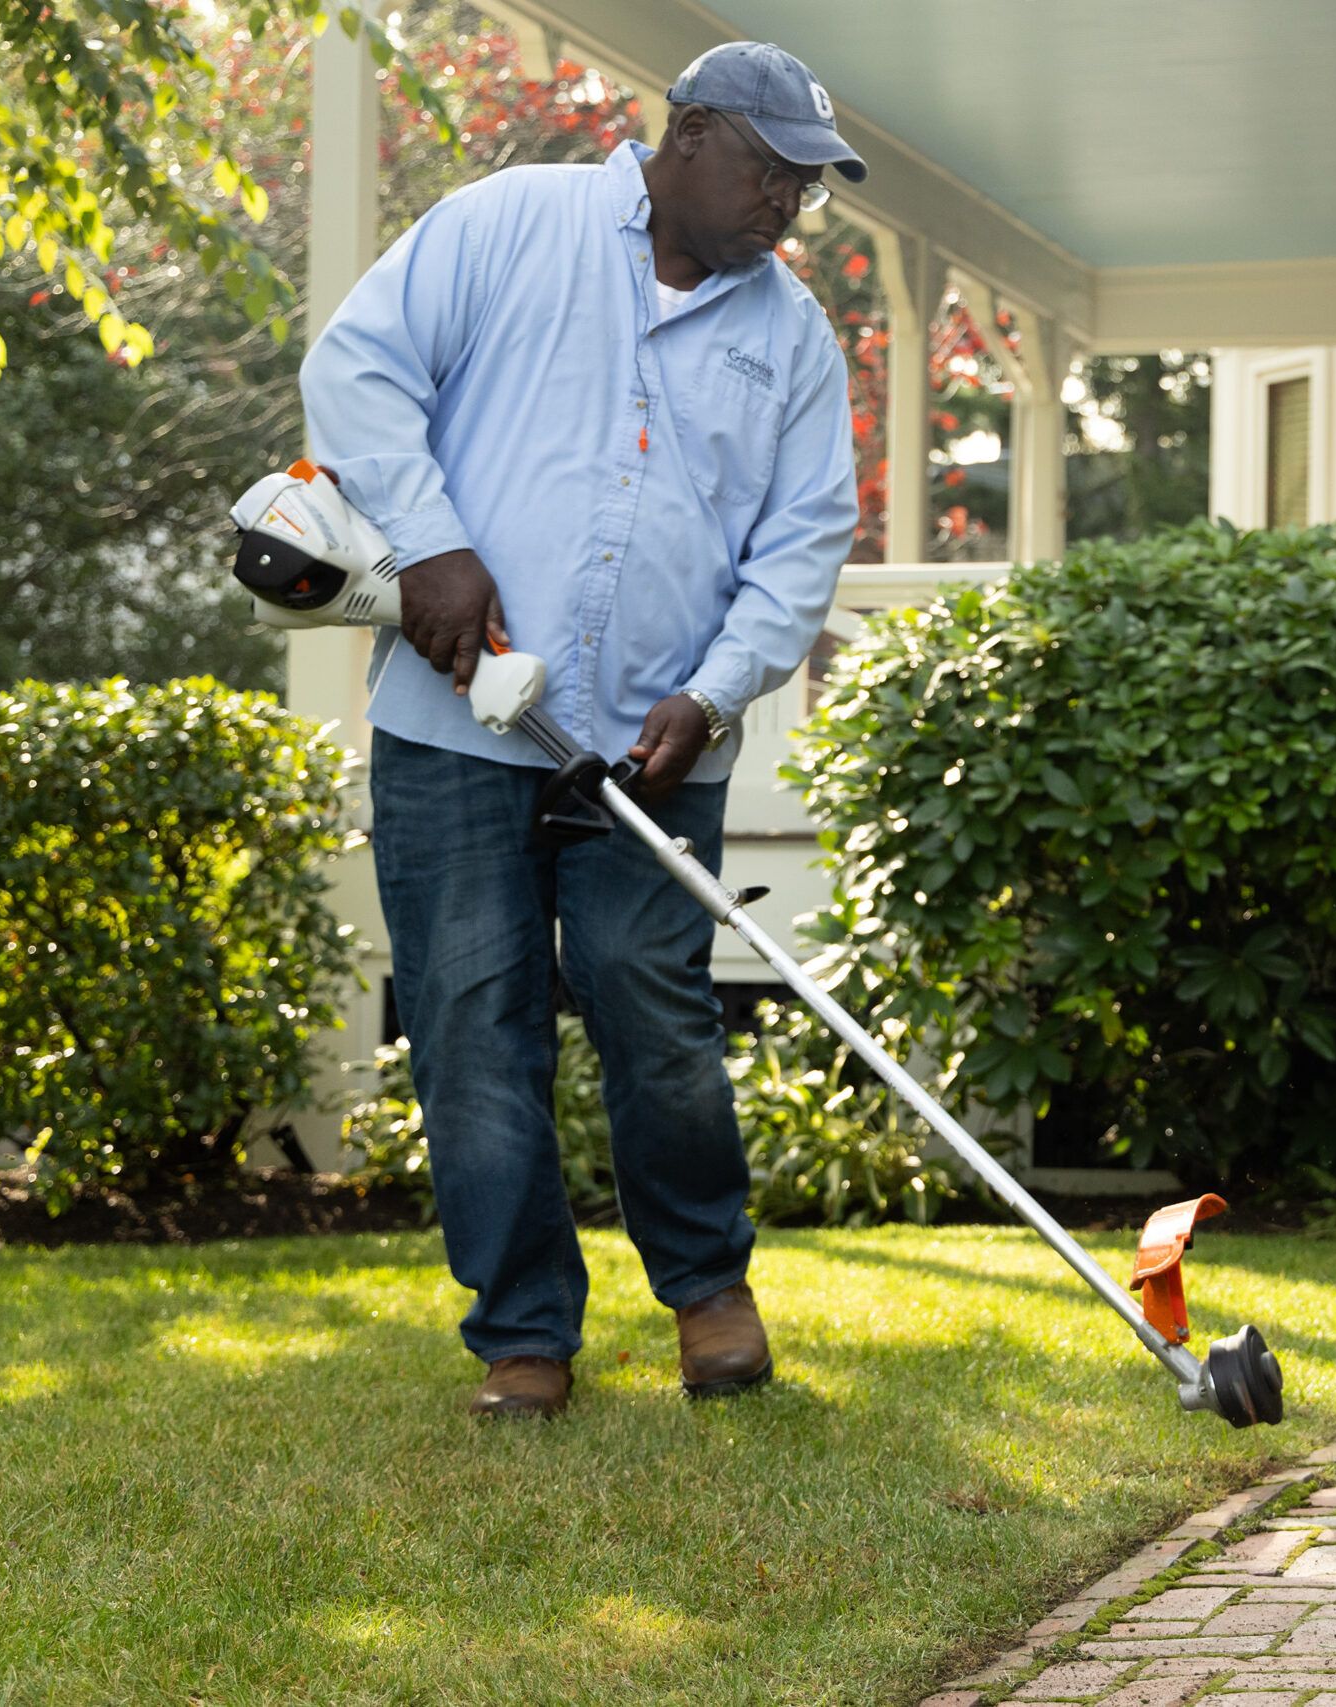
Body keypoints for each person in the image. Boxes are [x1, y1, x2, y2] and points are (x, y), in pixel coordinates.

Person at [301, 41, 866, 1419]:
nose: (790, 202)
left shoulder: (790, 337)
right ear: (687, 135)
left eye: (809, 183)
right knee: (471, 1017)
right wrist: (430, 544)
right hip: (456, 723)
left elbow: (803, 541)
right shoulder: (510, 224)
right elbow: (359, 373)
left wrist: (719, 691)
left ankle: (708, 1294)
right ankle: (524, 1339)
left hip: (656, 744)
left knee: (652, 1004)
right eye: (771, 168)